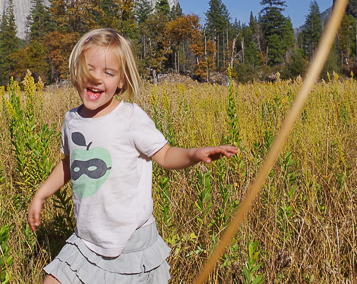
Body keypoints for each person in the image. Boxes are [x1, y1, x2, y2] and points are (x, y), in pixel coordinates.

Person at [27, 28, 238, 283]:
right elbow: (69, 164)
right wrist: (41, 194)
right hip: (87, 238)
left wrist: (195, 154)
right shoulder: (72, 120)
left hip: (130, 240)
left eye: (108, 72)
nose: (96, 78)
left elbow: (165, 155)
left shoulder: (130, 117)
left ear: (121, 81)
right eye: (89, 69)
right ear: (76, 71)